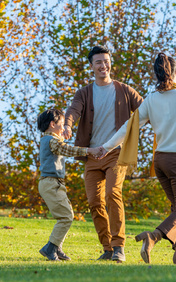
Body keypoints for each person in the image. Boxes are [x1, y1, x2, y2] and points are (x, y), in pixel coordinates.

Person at [100, 53, 176, 264]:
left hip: (159, 161)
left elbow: (128, 127)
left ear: (157, 75)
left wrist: (106, 146)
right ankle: (153, 237)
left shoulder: (151, 99)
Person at [64, 46, 143, 262]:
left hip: (115, 152)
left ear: (110, 63)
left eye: (106, 61)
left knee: (112, 194)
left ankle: (119, 247)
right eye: (98, 62)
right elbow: (73, 110)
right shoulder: (84, 93)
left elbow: (146, 109)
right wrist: (68, 125)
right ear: (91, 66)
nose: (103, 65)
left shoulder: (125, 90)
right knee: (94, 202)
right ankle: (107, 248)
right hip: (92, 155)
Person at [37, 108, 100, 261]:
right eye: (62, 123)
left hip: (53, 183)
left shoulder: (49, 139)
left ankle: (56, 247)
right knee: (66, 217)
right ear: (53, 124)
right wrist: (89, 151)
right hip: (51, 183)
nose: (65, 126)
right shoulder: (52, 141)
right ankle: (50, 247)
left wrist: (62, 137)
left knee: (67, 215)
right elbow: (65, 149)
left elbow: (60, 146)